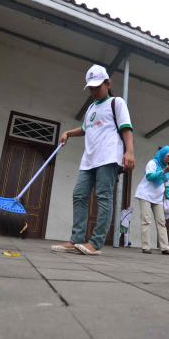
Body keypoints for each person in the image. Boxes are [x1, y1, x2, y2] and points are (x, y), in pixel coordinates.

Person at [51, 64, 135, 255]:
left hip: (108, 156)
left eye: (97, 86)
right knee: (79, 195)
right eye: (91, 87)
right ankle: (76, 239)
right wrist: (68, 133)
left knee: (103, 197)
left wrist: (129, 151)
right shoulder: (91, 108)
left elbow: (126, 127)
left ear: (108, 83)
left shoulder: (117, 103)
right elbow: (86, 128)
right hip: (89, 159)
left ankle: (96, 243)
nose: (94, 91)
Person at [134, 146, 169, 256]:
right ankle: (146, 247)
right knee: (146, 220)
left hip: (158, 198)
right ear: (163, 154)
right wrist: (164, 171)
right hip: (145, 195)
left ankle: (165, 248)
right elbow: (150, 177)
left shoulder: (167, 169)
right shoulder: (152, 163)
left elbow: (167, 186)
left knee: (161, 222)